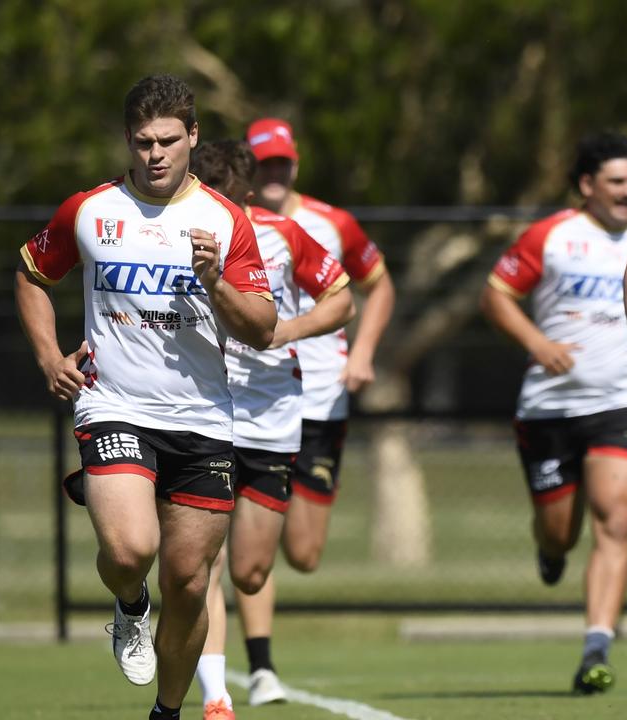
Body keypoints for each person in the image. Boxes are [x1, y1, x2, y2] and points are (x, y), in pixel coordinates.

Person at [14, 75, 277, 720]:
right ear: (127, 142)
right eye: (142, 142)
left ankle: (167, 712)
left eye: (168, 140)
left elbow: (262, 327)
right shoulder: (90, 210)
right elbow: (30, 273)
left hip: (204, 418)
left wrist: (216, 282)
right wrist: (50, 356)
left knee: (189, 582)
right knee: (132, 548)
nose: (155, 154)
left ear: (192, 137)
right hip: (114, 404)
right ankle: (129, 602)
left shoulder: (224, 219)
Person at [479, 131, 627, 695]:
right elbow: (496, 294)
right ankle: (550, 547)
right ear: (587, 186)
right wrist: (536, 343)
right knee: (561, 533)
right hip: (550, 408)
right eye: (616, 182)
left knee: (615, 518)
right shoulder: (553, 236)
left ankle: (596, 647)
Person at [188, 140, 354, 719]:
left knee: (250, 569)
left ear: (247, 199)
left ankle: (246, 665)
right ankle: (216, 696)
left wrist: (288, 330)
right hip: (199, 412)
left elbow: (342, 298)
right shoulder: (164, 233)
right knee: (200, 560)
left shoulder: (283, 234)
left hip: (273, 414)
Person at [233, 117, 395, 704]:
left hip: (322, 400)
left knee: (302, 553)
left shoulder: (331, 223)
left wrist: (365, 355)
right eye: (263, 163)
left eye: (282, 163)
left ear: (294, 165)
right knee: (246, 539)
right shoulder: (222, 222)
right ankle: (259, 666)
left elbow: (377, 285)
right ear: (248, 169)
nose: (274, 173)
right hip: (250, 402)